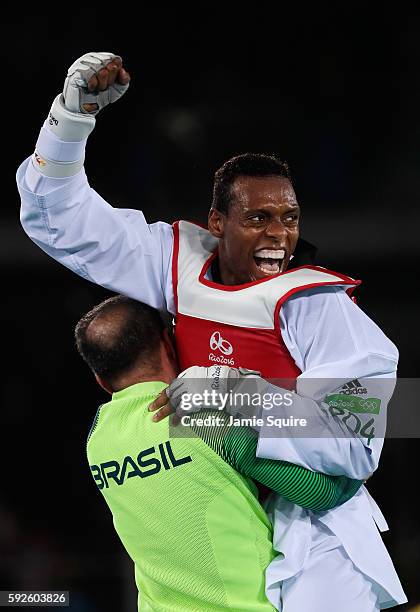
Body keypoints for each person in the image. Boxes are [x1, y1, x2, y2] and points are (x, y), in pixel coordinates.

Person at [17, 52, 406, 610]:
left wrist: (236, 398)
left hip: (316, 535)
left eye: (289, 218)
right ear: (217, 223)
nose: (279, 235)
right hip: (221, 515)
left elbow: (363, 442)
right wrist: (70, 119)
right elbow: (59, 221)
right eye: (258, 218)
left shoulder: (319, 307)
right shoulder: (173, 263)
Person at [76, 294, 361, 611]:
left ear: (100, 379)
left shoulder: (97, 439)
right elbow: (319, 493)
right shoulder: (199, 419)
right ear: (168, 344)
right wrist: (361, 458)